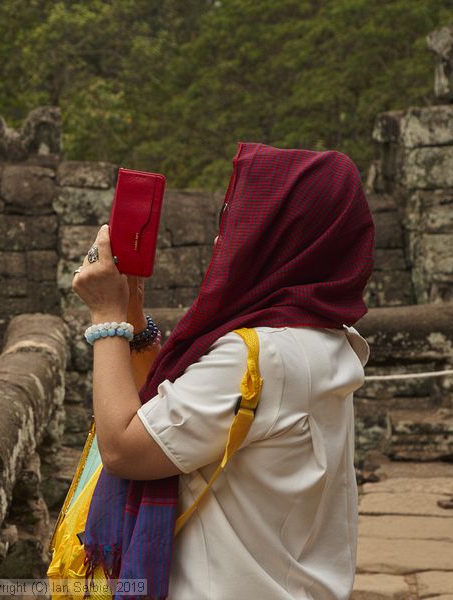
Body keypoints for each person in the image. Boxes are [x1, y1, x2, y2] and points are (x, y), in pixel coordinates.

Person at [70, 142, 374, 599]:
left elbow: (123, 449)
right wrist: (134, 323)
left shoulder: (258, 358)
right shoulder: (323, 338)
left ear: (278, 239)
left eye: (238, 222)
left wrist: (105, 321)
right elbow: (171, 411)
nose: (220, 239)